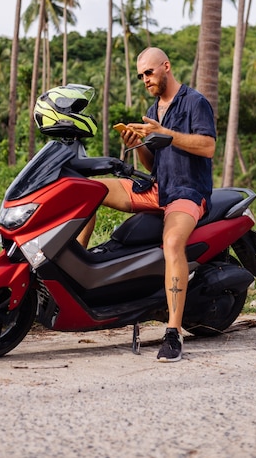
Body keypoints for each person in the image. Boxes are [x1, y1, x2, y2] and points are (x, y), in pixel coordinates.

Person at [78, 47, 216, 362]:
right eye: (141, 76)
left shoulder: (195, 102)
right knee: (89, 189)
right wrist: (137, 144)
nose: (145, 79)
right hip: (157, 187)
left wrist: (165, 133)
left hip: (187, 190)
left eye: (149, 73)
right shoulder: (153, 110)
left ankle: (173, 332)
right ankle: (76, 271)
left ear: (165, 66)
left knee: (171, 243)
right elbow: (153, 161)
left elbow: (207, 147)